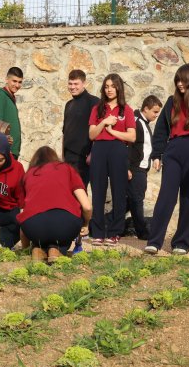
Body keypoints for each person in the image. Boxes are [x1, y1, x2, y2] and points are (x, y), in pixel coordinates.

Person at [146, 64, 189, 256]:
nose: (180, 84)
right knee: (166, 196)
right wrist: (157, 154)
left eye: (184, 80)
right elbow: (161, 130)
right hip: (173, 151)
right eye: (177, 80)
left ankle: (182, 242)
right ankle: (154, 241)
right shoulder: (172, 102)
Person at [19, 146, 93, 262]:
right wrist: (85, 224)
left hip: (33, 227)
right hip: (64, 225)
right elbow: (87, 207)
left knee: (39, 233)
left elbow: (24, 211)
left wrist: (25, 246)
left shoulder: (28, 174)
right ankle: (56, 249)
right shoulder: (67, 169)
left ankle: (37, 249)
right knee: (61, 235)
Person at [87, 73, 136, 245]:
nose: (109, 89)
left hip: (118, 149)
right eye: (106, 86)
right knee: (98, 192)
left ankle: (115, 233)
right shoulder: (97, 109)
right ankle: (98, 232)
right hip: (99, 149)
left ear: (119, 88)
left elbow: (132, 137)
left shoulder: (126, 110)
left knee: (119, 192)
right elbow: (92, 134)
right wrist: (105, 122)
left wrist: (113, 132)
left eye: (113, 86)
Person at [124, 94, 161, 239]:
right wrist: (127, 167)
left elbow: (145, 147)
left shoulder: (144, 123)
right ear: (146, 108)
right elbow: (128, 146)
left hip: (141, 168)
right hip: (135, 168)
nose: (156, 115)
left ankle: (108, 225)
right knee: (136, 200)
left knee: (130, 201)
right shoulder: (136, 122)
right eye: (155, 111)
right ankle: (143, 232)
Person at [62, 70, 98, 185]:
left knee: (79, 191)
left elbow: (98, 131)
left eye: (76, 84)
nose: (72, 87)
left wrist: (92, 153)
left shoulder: (94, 102)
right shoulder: (68, 105)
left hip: (83, 157)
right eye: (70, 84)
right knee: (68, 192)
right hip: (68, 157)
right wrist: (62, 155)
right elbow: (65, 132)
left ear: (84, 83)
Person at [0, 66, 24, 159]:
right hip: (3, 151)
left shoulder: (9, 97)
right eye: (14, 81)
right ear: (6, 79)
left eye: (20, 82)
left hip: (10, 151)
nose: (17, 85)